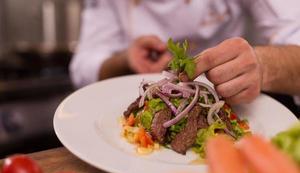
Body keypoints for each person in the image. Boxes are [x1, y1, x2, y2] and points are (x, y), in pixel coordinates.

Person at [70, 0, 300, 106]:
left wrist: (263, 65)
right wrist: (125, 61)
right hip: (143, 109)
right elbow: (83, 67)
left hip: (231, 104)